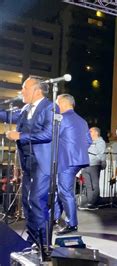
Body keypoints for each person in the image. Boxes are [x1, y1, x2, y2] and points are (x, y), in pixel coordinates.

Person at [0, 77, 54, 247]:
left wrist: (20, 136)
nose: (21, 91)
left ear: (37, 90)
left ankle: (43, 243)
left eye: (24, 88)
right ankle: (32, 240)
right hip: (27, 163)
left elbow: (48, 134)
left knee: (37, 201)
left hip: (42, 163)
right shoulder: (25, 108)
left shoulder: (50, 107)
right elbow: (9, 115)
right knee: (27, 202)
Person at [54, 94, 91, 235]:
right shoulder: (82, 121)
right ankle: (55, 217)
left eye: (57, 103)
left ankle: (71, 224)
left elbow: (52, 137)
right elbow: (88, 140)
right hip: (78, 160)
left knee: (64, 191)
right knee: (61, 189)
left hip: (66, 160)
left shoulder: (61, 118)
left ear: (63, 103)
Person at [79, 127, 106, 210]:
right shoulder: (88, 142)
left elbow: (101, 154)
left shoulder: (100, 142)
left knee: (95, 184)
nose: (89, 132)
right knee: (88, 185)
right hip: (85, 165)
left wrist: (88, 149)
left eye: (91, 131)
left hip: (94, 165)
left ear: (96, 133)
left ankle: (93, 203)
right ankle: (89, 202)